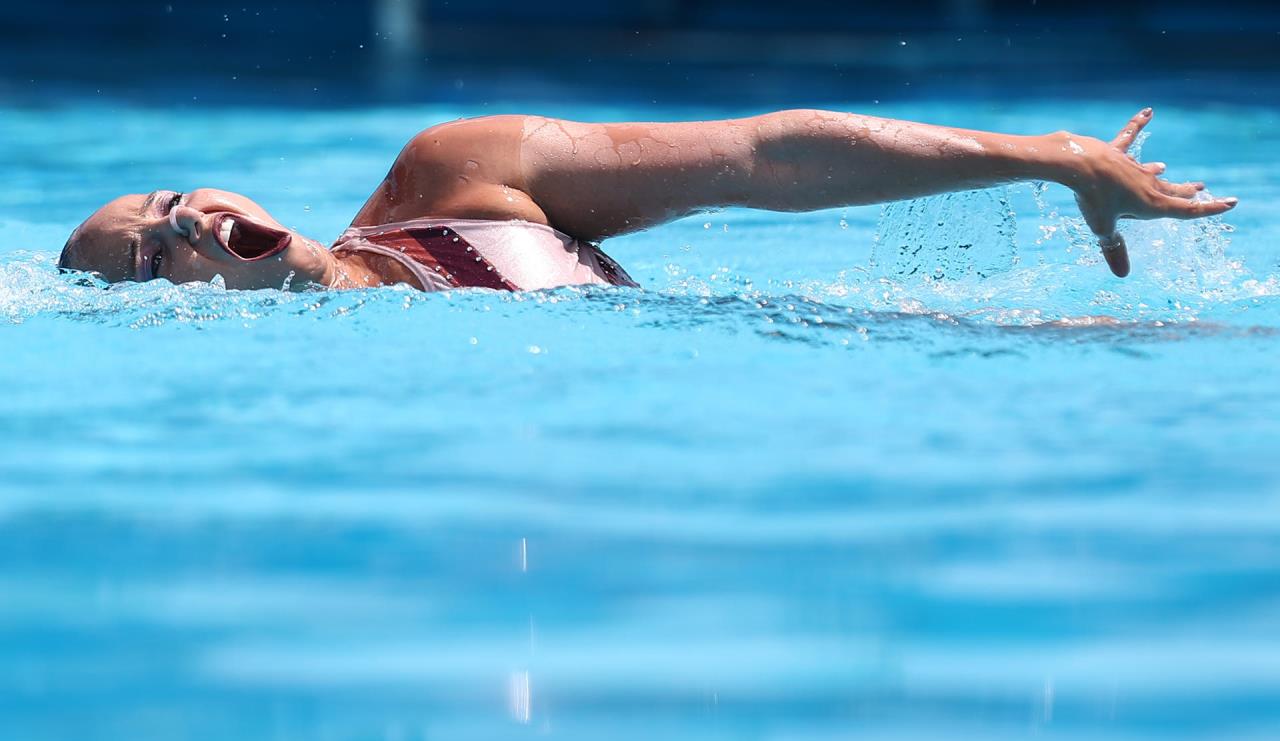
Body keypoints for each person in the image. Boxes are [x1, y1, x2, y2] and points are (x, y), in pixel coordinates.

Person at [58, 108, 1236, 291]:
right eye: (149, 259)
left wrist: (1045, 154)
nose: (173, 222)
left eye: (163, 198)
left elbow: (757, 158)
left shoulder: (451, 178)